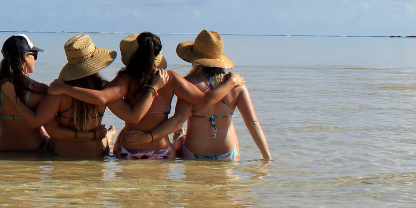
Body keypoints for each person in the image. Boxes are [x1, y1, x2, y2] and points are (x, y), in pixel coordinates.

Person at [48, 31, 244, 160]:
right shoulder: (171, 78)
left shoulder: (125, 79)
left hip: (128, 150)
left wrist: (66, 89)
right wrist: (230, 82)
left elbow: (102, 98)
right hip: (162, 151)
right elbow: (205, 100)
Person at [0, 35, 96, 158]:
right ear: (25, 57)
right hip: (35, 148)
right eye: (34, 55)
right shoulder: (38, 90)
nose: (35, 59)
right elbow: (53, 130)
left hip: (1, 148)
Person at [171, 30, 272, 161]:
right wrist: (267, 157)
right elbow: (252, 123)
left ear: (194, 58)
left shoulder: (188, 83)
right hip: (228, 153)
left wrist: (174, 139)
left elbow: (179, 121)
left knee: (179, 139)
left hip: (193, 151)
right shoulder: (237, 86)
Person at [25, 34, 118, 157]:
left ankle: (108, 135)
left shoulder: (58, 92)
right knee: (105, 137)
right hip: (95, 152)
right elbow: (129, 116)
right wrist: (94, 135)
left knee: (44, 134)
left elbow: (53, 131)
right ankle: (109, 136)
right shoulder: (104, 89)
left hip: (60, 152)